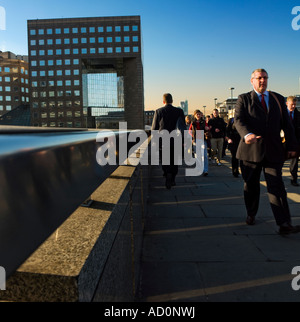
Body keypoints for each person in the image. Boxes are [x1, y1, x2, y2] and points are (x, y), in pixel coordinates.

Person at [234, 68, 299, 235]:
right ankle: (251, 213)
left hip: (273, 150)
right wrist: (246, 134)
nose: (262, 81)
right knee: (251, 185)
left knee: (277, 185)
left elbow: (287, 125)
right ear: (252, 80)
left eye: (265, 78)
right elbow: (238, 120)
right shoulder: (244, 99)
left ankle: (284, 222)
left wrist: (292, 146)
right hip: (251, 150)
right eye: (259, 78)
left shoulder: (278, 99)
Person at [152, 93, 185, 189]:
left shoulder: (159, 111)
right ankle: (173, 177)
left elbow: (154, 128)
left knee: (165, 160)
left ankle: (167, 174)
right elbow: (183, 127)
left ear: (163, 101)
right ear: (172, 101)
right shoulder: (179, 111)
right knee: (174, 160)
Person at [189, 109, 209, 176]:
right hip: (196, 139)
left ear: (201, 115)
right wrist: (192, 136)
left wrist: (207, 129)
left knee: (205, 155)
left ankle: (205, 170)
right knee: (198, 155)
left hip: (203, 139)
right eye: (197, 114)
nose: (198, 115)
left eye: (199, 114)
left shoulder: (204, 122)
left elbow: (207, 128)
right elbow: (189, 131)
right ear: (194, 115)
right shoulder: (193, 122)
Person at [286, 96, 300, 186]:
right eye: (292, 104)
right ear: (287, 104)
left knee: (294, 161)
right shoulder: (281, 114)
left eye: (295, 104)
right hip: (283, 142)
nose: (293, 106)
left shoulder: (299, 115)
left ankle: (293, 179)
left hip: (295, 141)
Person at [226, 112, 241, 177]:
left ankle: (240, 170)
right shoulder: (231, 120)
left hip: (241, 140)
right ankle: (235, 170)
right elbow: (227, 130)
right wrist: (228, 138)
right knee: (234, 156)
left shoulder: (243, 119)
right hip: (233, 140)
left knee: (241, 157)